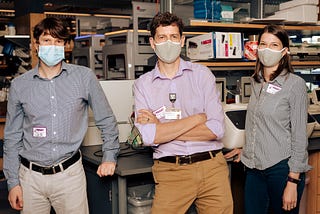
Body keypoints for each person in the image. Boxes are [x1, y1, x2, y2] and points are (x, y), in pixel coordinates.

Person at [3, 17, 119, 214]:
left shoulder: (83, 77)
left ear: (66, 45)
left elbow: (106, 119)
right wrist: (13, 182)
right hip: (30, 178)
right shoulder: (20, 85)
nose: (53, 46)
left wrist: (109, 156)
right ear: (36, 44)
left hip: (69, 176)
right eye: (47, 40)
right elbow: (12, 137)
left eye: (58, 41)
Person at [134, 12, 233, 214]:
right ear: (153, 43)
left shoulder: (202, 75)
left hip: (212, 168)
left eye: (173, 37)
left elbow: (216, 129)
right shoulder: (142, 84)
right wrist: (197, 119)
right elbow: (146, 136)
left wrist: (161, 129)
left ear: (182, 40)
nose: (168, 42)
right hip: (171, 171)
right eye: (162, 38)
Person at [239, 25, 311, 214]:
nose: (267, 49)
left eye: (274, 45)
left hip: (282, 169)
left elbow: (299, 137)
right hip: (254, 169)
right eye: (263, 44)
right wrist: (247, 150)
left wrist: (293, 181)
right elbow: (258, 124)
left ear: (284, 51)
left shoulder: (295, 85)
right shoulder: (256, 82)